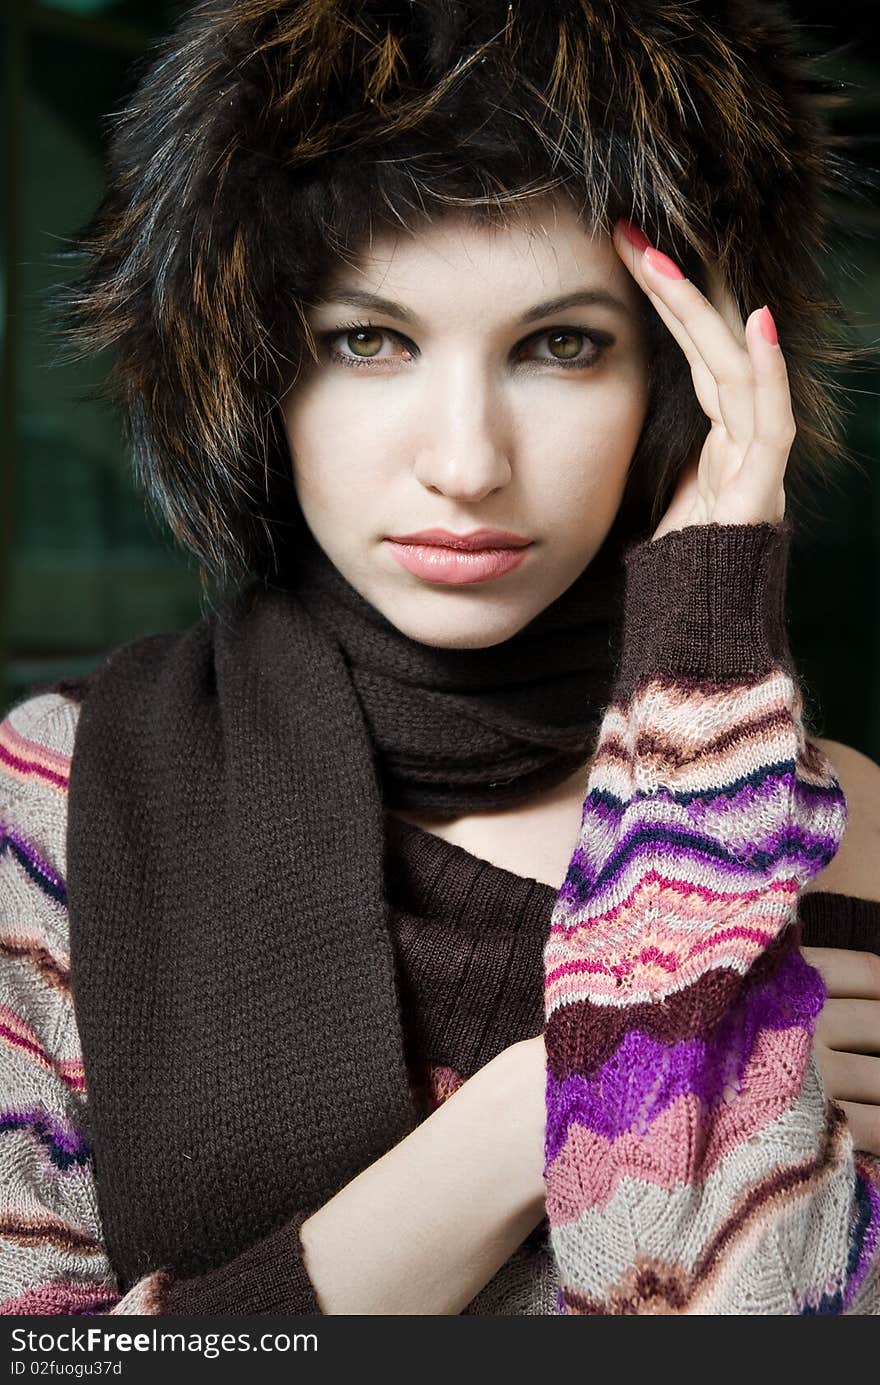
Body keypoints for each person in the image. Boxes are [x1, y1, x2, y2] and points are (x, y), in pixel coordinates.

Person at [1, 0, 879, 1316]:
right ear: (251, 372)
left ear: (676, 384)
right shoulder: (55, 797)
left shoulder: (817, 821)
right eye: (371, 341)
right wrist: (551, 1093)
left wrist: (701, 660)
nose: (466, 463)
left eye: (562, 346)